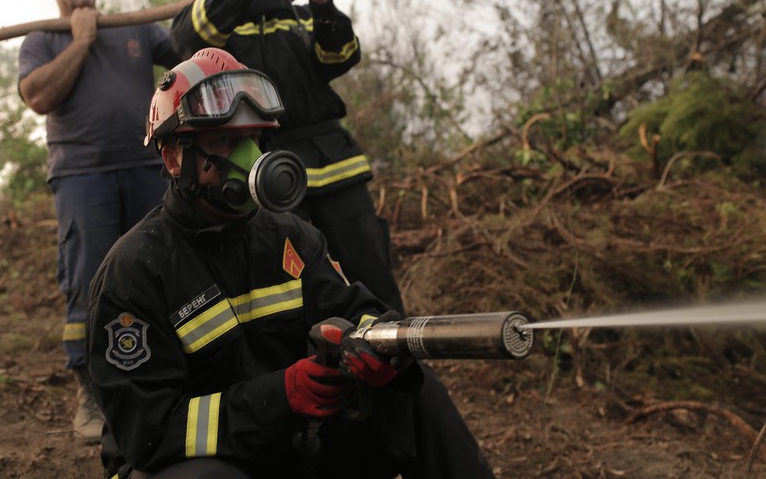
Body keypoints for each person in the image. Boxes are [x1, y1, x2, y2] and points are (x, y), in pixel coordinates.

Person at [85, 48, 497, 479]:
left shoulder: (291, 237)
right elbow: (149, 431)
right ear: (174, 157)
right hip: (187, 462)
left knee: (415, 392)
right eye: (226, 141)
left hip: (285, 441)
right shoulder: (134, 272)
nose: (249, 160)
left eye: (254, 140)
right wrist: (279, 397)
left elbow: (358, 311)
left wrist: (380, 349)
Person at [170, 0, 404, 314]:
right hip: (263, 169)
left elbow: (340, 58)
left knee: (373, 274)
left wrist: (322, 0)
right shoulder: (214, 17)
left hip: (335, 165)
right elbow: (187, 37)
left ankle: (400, 361)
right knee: (285, 286)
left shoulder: (299, 16)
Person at [17, 0, 183, 443]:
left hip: (146, 167)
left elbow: (192, 52)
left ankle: (169, 376)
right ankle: (91, 392)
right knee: (89, 280)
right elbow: (38, 96)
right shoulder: (42, 39)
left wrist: (221, 5)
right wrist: (80, 41)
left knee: (163, 269)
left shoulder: (131, 25)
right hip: (82, 176)